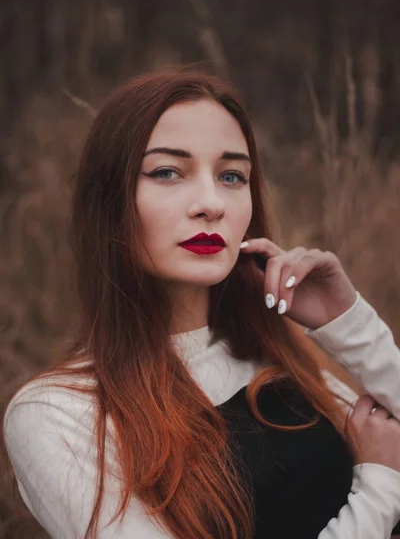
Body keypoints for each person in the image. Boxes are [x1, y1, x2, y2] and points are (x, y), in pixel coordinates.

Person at [1, 68, 400, 539]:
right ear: (109, 201)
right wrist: (379, 492)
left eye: (232, 175)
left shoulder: (276, 354)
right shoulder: (60, 413)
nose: (212, 203)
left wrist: (348, 323)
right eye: (168, 172)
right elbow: (387, 472)